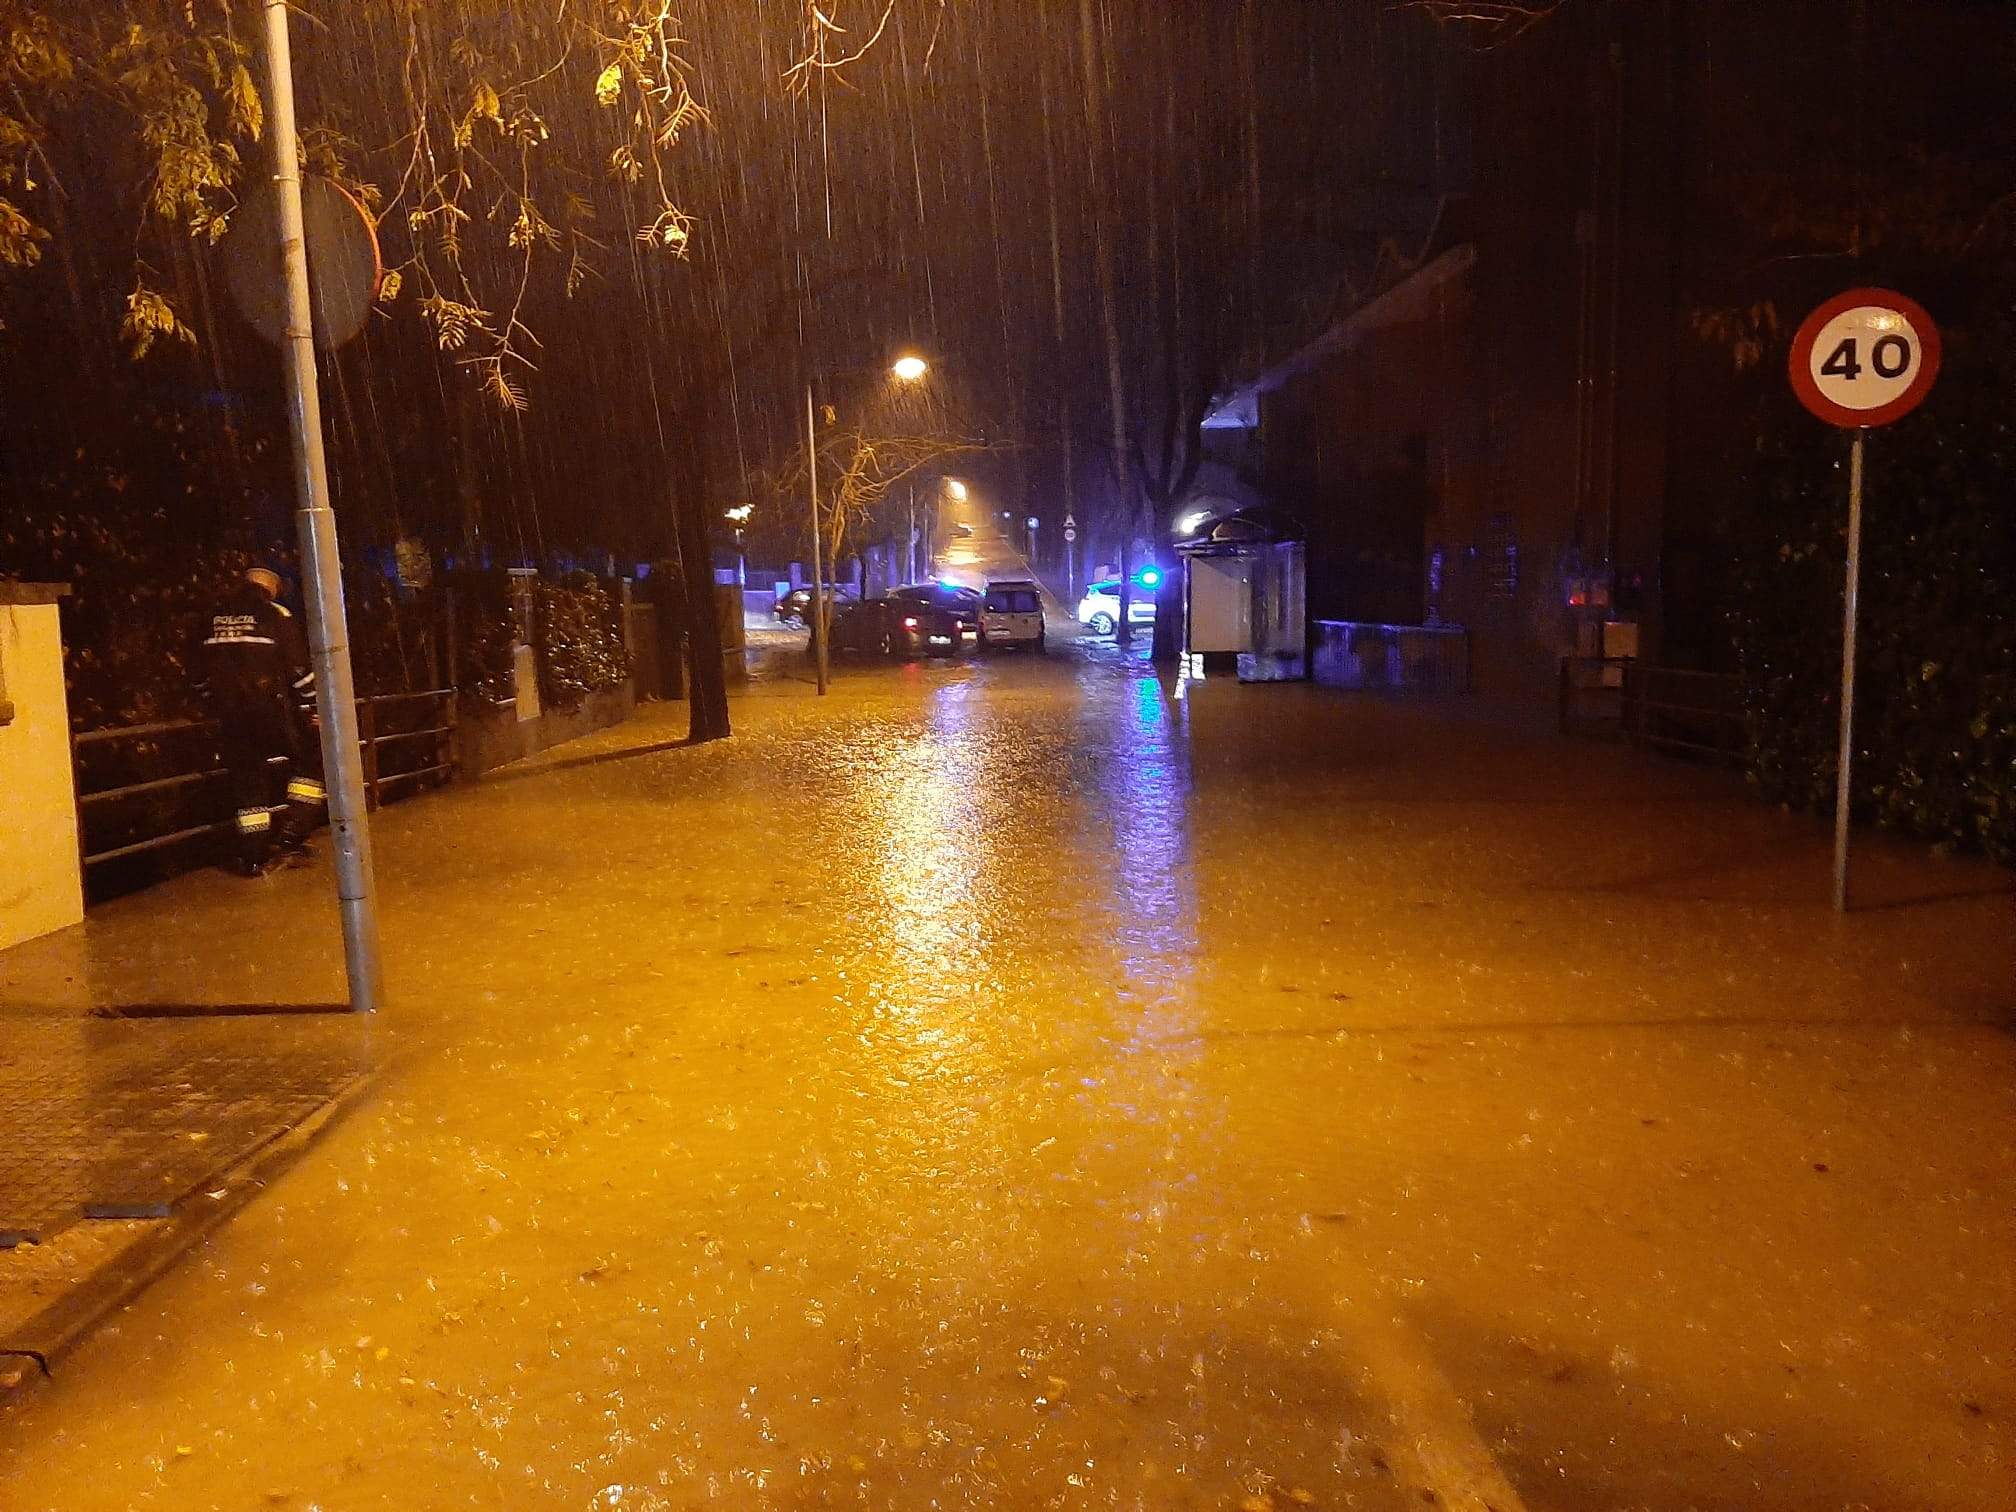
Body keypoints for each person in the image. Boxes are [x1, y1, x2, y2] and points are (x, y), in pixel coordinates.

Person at [191, 566, 326, 876]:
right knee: (309, 763)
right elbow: (299, 671)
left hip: (232, 717)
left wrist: (214, 702)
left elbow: (198, 675)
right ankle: (291, 836)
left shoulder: (212, 617)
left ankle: (253, 856)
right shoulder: (276, 614)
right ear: (273, 586)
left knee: (248, 783)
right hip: (274, 712)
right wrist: (311, 707)